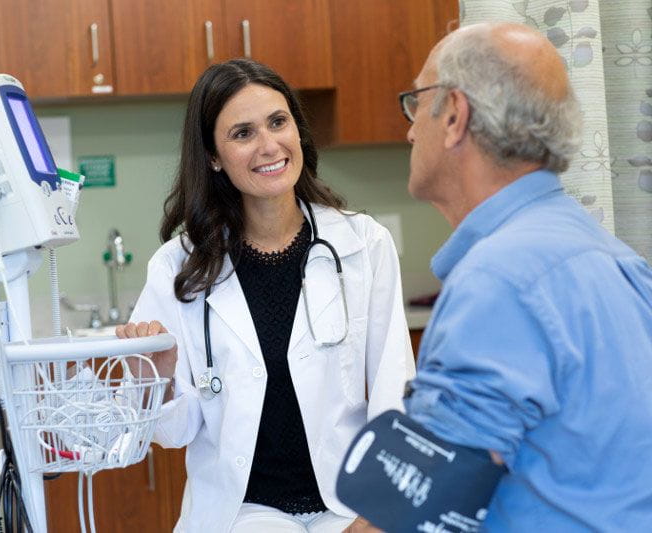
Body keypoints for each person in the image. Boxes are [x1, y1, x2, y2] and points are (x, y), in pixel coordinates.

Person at [116, 58, 414, 532]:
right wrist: (160, 382)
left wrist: (378, 510)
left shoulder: (363, 245)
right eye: (242, 133)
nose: (269, 145)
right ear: (213, 156)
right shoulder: (179, 267)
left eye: (278, 122)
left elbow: (392, 392)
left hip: (348, 503)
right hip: (242, 512)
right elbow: (173, 434)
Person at [396, 22, 652, 531]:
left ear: (453, 115)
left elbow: (422, 502)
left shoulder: (498, 281)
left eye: (416, 102)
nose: (408, 128)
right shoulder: (616, 260)